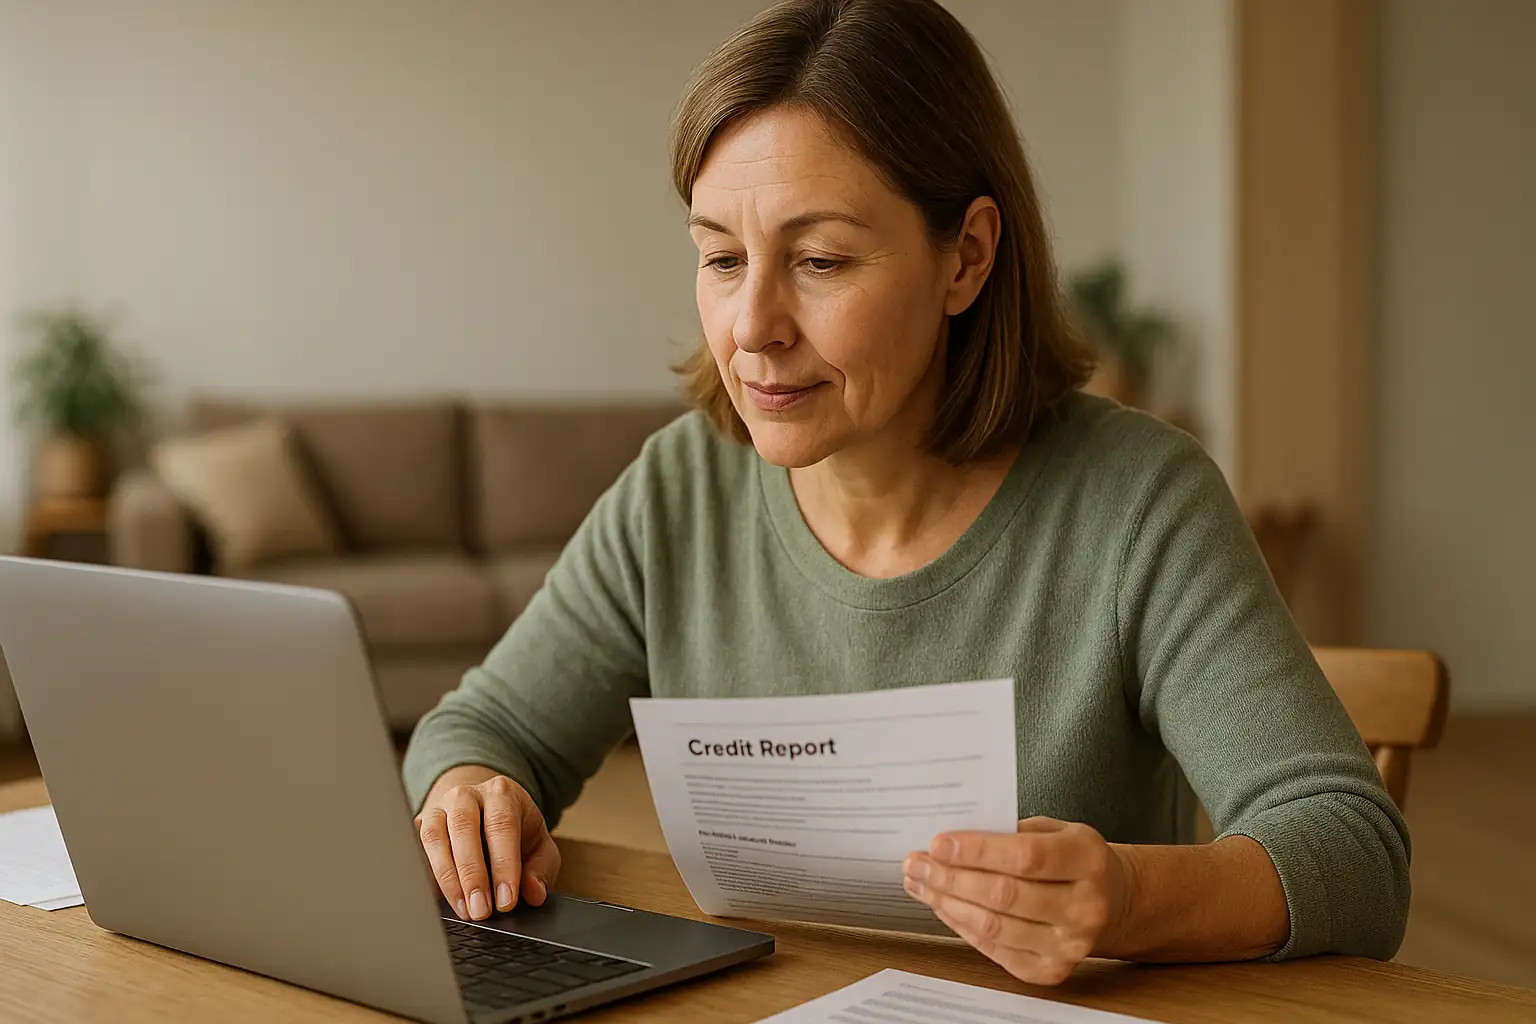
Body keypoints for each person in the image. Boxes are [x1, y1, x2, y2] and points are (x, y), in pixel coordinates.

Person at [403, 0, 1408, 986]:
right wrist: (469, 797)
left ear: (965, 256)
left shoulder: (1137, 501)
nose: (752, 325)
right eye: (720, 256)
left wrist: (1133, 899)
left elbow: (1355, 852)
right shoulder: (682, 487)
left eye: (820, 259)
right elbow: (484, 732)